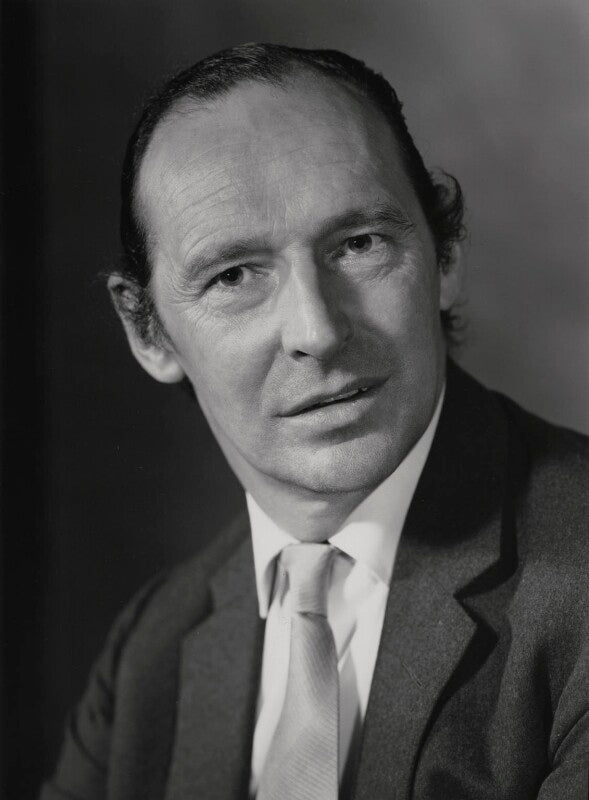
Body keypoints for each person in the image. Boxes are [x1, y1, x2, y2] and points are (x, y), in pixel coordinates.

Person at [41, 43, 588, 800]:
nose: (317, 331)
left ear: (445, 255)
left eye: (358, 244)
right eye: (233, 275)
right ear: (148, 332)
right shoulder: (149, 654)